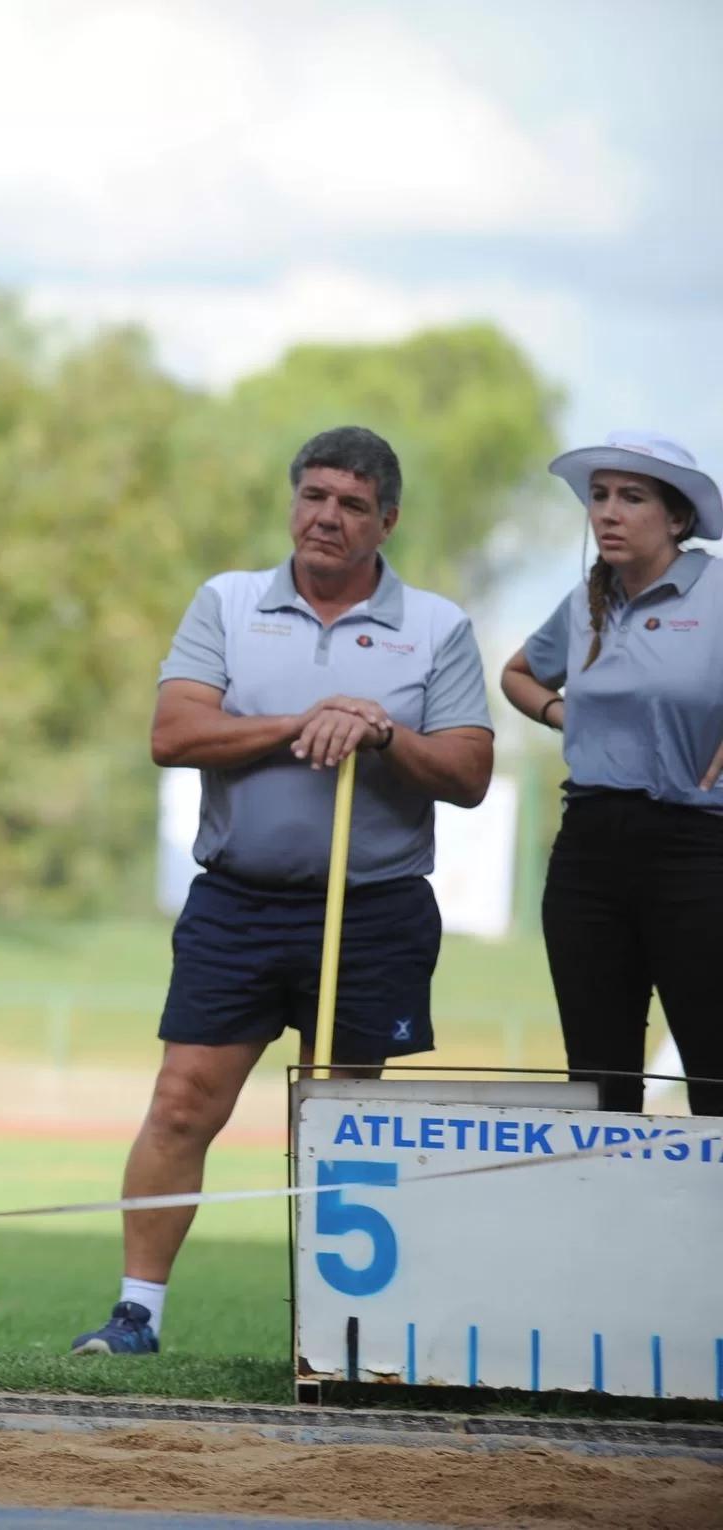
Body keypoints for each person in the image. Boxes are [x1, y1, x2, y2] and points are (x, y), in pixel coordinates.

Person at [71, 426, 495, 1357]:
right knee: (184, 1100)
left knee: (342, 1118)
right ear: (293, 500)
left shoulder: (436, 625)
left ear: (387, 520)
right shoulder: (227, 603)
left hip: (374, 907)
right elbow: (174, 734)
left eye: (351, 504)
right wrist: (305, 721)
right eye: (314, 496)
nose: (326, 518)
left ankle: (342, 1331)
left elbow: (468, 772)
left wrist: (381, 734)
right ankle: (137, 1314)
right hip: (238, 901)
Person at [499, 431, 723, 1117]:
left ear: (678, 518)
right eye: (599, 497)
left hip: (698, 852)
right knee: (599, 1083)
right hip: (588, 853)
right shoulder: (581, 603)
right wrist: (566, 715)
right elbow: (517, 673)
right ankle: (615, 1223)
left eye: (631, 497)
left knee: (715, 1072)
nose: (608, 512)